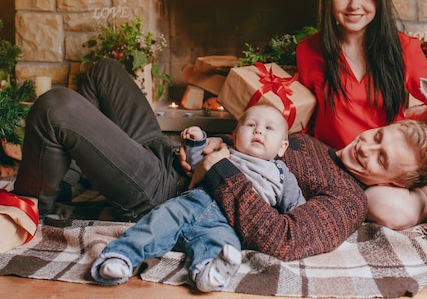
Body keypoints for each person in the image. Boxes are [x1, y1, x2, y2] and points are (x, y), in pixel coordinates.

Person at [13, 58, 427, 262]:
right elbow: (252, 145)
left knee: (56, 106)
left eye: (381, 158)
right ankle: (66, 177)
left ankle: (36, 208)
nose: (367, 146)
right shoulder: (321, 144)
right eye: (378, 136)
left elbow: (283, 239)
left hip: (168, 194)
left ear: (394, 183)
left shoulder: (346, 200)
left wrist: (214, 168)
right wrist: (203, 146)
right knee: (103, 71)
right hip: (172, 156)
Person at [296, 0, 427, 230]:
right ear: (329, 0)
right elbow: (302, 116)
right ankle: (419, 199)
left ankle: (418, 192)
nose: (354, 5)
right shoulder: (310, 50)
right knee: (393, 211)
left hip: (389, 164)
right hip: (341, 166)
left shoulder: (404, 48)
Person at [90, 105, 306, 291]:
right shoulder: (226, 152)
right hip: (191, 202)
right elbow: (195, 166)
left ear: (282, 147)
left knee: (225, 245)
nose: (258, 130)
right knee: (158, 221)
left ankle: (208, 272)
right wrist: (197, 142)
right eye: (250, 125)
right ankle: (122, 257)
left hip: (229, 221)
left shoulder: (281, 175)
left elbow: (298, 211)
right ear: (235, 134)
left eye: (269, 128)